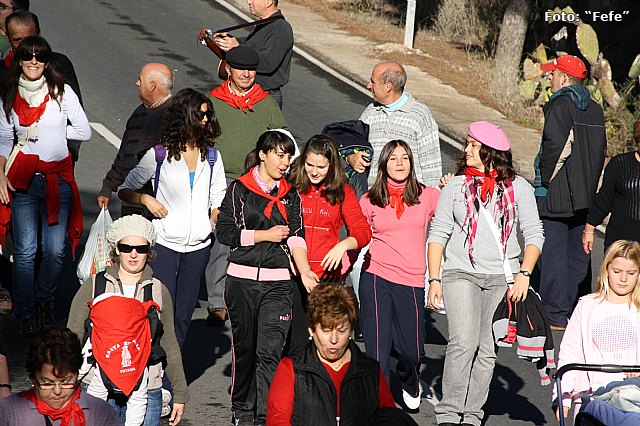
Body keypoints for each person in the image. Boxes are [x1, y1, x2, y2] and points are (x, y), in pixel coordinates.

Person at [427, 121, 544, 426]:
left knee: (487, 350)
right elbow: (438, 233)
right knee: (463, 342)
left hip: (501, 280)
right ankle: (449, 413)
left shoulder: (519, 188)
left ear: (490, 151)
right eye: (467, 144)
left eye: (472, 145)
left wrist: (524, 274)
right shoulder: (455, 186)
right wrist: (434, 278)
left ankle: (472, 414)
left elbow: (534, 234)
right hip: (459, 272)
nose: (465, 149)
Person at [215, 130, 317, 425]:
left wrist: (305, 269)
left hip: (278, 284)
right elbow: (224, 232)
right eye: (279, 155)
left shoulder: (291, 194)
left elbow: (297, 237)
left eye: (288, 157)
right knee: (245, 351)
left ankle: (265, 417)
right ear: (263, 154)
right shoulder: (239, 189)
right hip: (241, 282)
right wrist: (264, 235)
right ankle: (243, 411)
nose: (285, 163)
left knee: (269, 353)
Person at [118, 88, 226, 349]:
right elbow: (125, 190)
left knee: (183, 316)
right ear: (184, 116)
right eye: (200, 114)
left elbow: (218, 198)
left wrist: (211, 221)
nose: (205, 120)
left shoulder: (212, 157)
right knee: (161, 309)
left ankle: (170, 375)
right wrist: (146, 200)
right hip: (164, 244)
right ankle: (155, 368)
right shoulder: (158, 155)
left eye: (208, 114)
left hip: (199, 247)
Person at [0, 35, 91, 336]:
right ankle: (26, 314)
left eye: (40, 57)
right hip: (23, 182)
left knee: (55, 251)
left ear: (47, 62)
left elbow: (84, 130)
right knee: (25, 251)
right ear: (21, 61)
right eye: (28, 57)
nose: (34, 62)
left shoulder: (61, 94)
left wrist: (52, 128)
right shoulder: (10, 95)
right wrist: (1, 175)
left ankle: (43, 299)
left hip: (57, 180)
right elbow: (3, 139)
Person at [67, 215, 188, 426]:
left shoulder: (158, 290)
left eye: (141, 249)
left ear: (149, 252)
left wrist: (180, 394)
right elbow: (72, 335)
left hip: (147, 387)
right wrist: (65, 380)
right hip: (97, 383)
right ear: (116, 249)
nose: (133, 254)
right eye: (126, 247)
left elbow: (168, 341)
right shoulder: (95, 285)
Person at [204, 45, 289, 326]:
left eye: (251, 70)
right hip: (217, 179)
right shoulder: (214, 102)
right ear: (228, 69)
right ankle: (217, 301)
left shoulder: (266, 103)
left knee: (254, 237)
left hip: (255, 183)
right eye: (240, 69)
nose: (246, 74)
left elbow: (283, 139)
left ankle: (249, 296)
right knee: (222, 239)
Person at [358, 140, 440, 410]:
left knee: (412, 351)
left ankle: (409, 379)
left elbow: (451, 219)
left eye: (405, 157)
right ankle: (379, 403)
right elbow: (358, 237)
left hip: (412, 280)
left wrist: (452, 187)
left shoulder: (427, 196)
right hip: (376, 276)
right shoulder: (369, 199)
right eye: (393, 158)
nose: (400, 163)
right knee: (378, 350)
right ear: (384, 164)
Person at [533, 54, 607, 331]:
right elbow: (600, 152)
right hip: (586, 192)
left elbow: (555, 146)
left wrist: (544, 180)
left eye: (553, 74)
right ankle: (578, 310)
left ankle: (554, 312)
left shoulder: (561, 104)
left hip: (557, 190)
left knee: (552, 253)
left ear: (564, 78)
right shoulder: (596, 109)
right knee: (579, 254)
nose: (549, 78)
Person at [286, 134, 371, 355]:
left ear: (331, 166)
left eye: (321, 167)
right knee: (295, 345)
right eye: (309, 165)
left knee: (325, 347)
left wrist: (343, 247)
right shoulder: (290, 187)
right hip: (293, 275)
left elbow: (362, 231)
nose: (314, 172)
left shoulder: (343, 191)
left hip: (327, 279)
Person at [266, 283, 398, 425]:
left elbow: (389, 418)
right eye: (326, 330)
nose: (334, 340)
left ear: (351, 330)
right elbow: (277, 419)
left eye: (341, 331)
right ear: (311, 330)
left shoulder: (371, 371)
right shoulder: (291, 369)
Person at [554, 240, 640, 421]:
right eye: (617, 272)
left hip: (633, 398)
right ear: (606, 270)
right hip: (592, 396)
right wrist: (563, 396)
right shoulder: (588, 306)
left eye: (631, 273)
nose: (623, 279)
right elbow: (570, 352)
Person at [2, 10, 84, 163]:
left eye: (29, 38)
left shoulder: (59, 65)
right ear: (7, 37)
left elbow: (75, 116)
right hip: (13, 160)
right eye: (17, 40)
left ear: (39, 34)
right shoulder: (3, 72)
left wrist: (69, 152)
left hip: (54, 163)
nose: (25, 46)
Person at [0, 326, 122, 425]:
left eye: (66, 382)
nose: (57, 391)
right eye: (47, 383)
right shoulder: (8, 412)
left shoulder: (100, 413)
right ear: (33, 377)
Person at [347, 61, 441, 189]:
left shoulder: (420, 116)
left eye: (373, 82)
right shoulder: (370, 113)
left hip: (410, 199)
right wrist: (351, 158)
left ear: (388, 86)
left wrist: (431, 200)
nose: (369, 85)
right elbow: (356, 149)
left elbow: (432, 166)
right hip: (374, 198)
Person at [97, 63, 174, 216]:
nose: (137, 83)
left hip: (159, 206)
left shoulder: (175, 116)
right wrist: (108, 186)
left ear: (152, 85)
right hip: (132, 201)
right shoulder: (139, 113)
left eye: (140, 80)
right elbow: (124, 154)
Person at [213, 0, 293, 108]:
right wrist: (229, 41)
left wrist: (237, 47)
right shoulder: (265, 24)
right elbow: (250, 45)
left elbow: (267, 63)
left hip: (264, 97)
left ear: (268, 1)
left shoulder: (280, 28)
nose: (249, 1)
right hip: (251, 94)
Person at [583, 119, 640, 254]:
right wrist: (589, 229)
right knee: (618, 274)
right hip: (619, 242)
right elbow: (604, 199)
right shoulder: (620, 164)